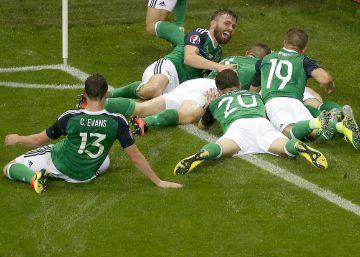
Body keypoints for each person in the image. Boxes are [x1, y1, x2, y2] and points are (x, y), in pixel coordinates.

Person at [3, 74, 182, 194]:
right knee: (105, 160)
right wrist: (159, 182)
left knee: (9, 167)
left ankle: (34, 178)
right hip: (86, 175)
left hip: (62, 165)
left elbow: (38, 139)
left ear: (84, 94)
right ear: (106, 94)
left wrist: (18, 138)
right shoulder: (118, 121)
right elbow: (135, 157)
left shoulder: (70, 118)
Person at [173, 69, 328, 175]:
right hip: (260, 122)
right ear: (239, 84)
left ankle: (203, 153)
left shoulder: (216, 102)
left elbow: (202, 126)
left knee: (221, 148)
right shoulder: (254, 96)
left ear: (219, 90)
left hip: (237, 126)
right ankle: (298, 146)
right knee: (281, 146)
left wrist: (209, 104)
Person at [102, 43, 271, 136]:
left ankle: (98, 102)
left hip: (193, 84)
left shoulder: (230, 58)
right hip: (208, 91)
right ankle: (147, 122)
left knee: (143, 107)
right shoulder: (260, 67)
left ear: (247, 52)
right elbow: (254, 93)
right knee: (185, 116)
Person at [252, 28, 360, 149]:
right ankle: (341, 126)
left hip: (274, 102)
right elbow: (325, 79)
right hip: (297, 102)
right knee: (311, 133)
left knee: (289, 131)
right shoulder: (304, 60)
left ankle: (330, 123)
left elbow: (254, 90)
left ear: (284, 42)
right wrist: (329, 87)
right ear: (303, 49)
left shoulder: (265, 60)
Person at [108, 9, 238, 100]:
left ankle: (110, 104)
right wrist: (219, 67)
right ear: (213, 23)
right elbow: (189, 58)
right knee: (153, 90)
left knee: (150, 101)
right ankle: (110, 94)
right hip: (168, 68)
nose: (231, 28)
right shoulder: (199, 34)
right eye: (226, 23)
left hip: (179, 87)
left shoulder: (217, 51)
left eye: (233, 26)